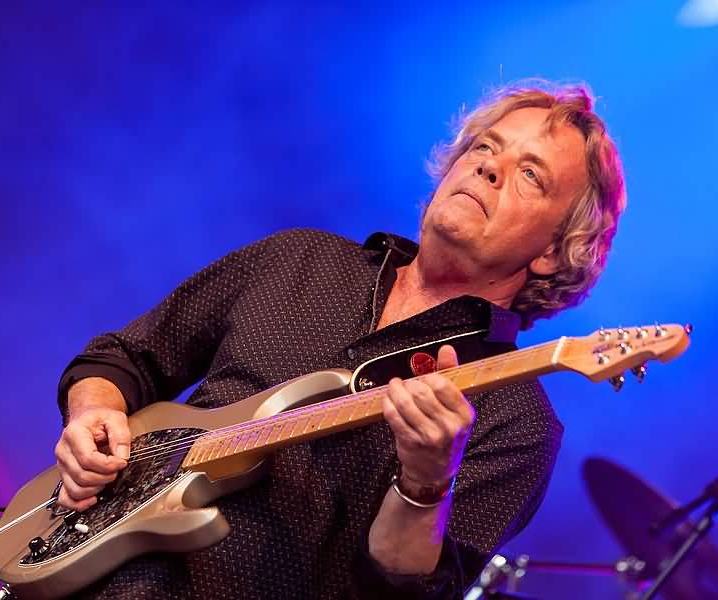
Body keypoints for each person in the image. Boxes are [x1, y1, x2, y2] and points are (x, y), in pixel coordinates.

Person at [53, 81, 626, 599]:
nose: (489, 167)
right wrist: (92, 414)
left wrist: (425, 484)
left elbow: (404, 594)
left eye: (530, 174)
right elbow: (124, 357)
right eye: (484, 147)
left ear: (556, 251)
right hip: (75, 564)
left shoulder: (517, 422)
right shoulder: (299, 257)